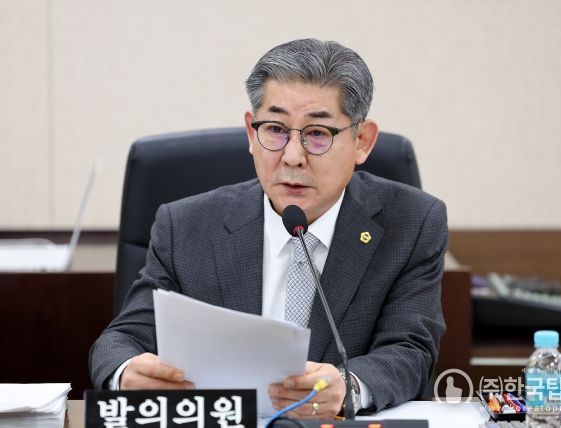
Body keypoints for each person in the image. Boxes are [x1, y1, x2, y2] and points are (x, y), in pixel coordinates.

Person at [89, 38, 448, 420]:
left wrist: (350, 386)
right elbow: (121, 339)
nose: (292, 156)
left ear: (362, 141)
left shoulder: (411, 223)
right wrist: (126, 373)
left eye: (318, 134)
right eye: (275, 129)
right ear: (251, 132)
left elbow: (410, 351)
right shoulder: (187, 226)